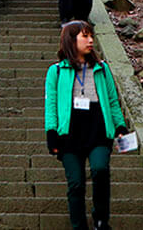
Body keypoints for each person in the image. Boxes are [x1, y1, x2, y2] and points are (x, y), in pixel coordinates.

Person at [45, 20, 128, 230]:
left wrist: (120, 127)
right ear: (71, 40)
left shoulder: (102, 68)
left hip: (98, 129)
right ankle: (79, 226)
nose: (91, 41)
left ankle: (100, 220)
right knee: (76, 183)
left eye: (91, 36)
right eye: (85, 36)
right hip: (69, 133)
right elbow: (51, 104)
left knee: (100, 169)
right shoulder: (56, 71)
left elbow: (112, 100)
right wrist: (51, 132)